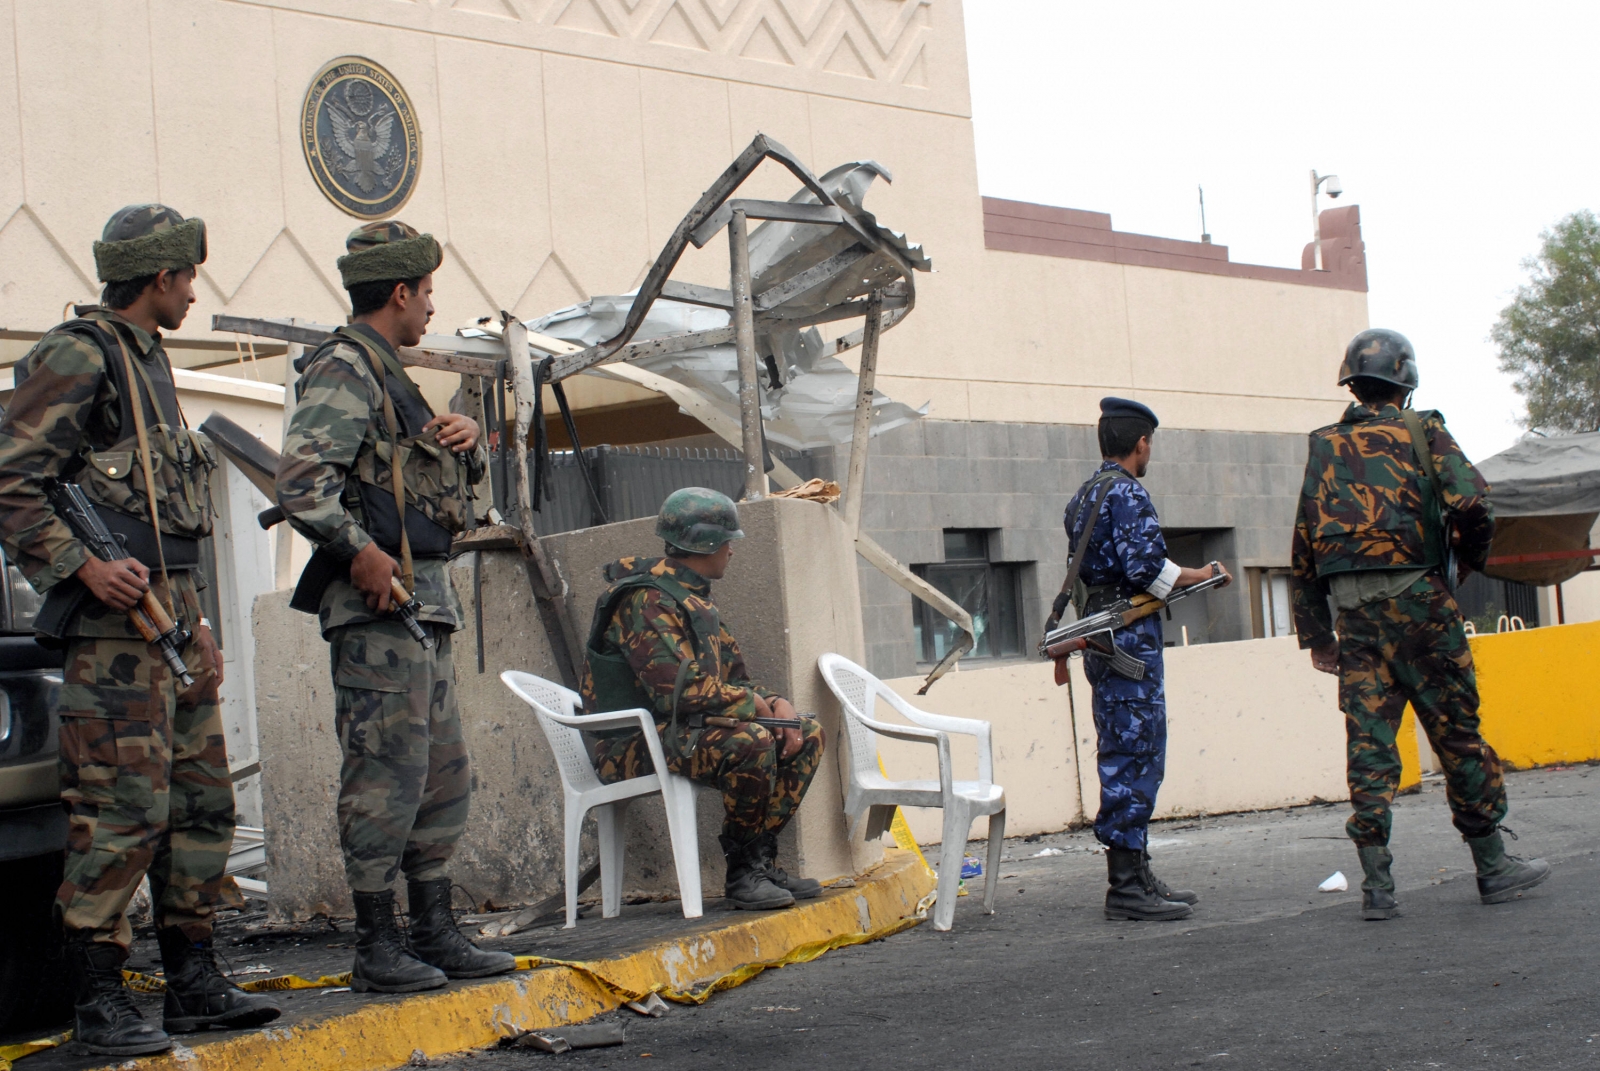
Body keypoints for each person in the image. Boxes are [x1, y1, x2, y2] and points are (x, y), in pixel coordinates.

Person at [0, 205, 280, 1055]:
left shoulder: (150, 364)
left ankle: (193, 979)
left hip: (170, 623)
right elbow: (13, 479)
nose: (195, 291)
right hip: (112, 635)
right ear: (159, 278)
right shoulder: (79, 353)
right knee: (120, 813)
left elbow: (166, 522)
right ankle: (99, 1001)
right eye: (189, 277)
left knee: (201, 802)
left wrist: (198, 628)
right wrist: (81, 568)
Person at [276, 220, 513, 992]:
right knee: (383, 777)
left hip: (424, 609)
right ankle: (378, 946)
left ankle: (434, 929)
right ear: (401, 292)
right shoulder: (345, 368)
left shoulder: (394, 380)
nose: (432, 309)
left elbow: (454, 503)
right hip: (378, 614)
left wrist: (467, 443)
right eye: (428, 292)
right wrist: (360, 551)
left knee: (441, 775)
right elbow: (303, 484)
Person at [1290, 328, 1550, 920]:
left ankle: (1377, 888)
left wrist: (1316, 636)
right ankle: (1492, 865)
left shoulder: (1324, 445)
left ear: (1351, 383)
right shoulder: (1421, 428)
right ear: (1405, 384)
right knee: (1457, 732)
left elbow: (1303, 546)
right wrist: (1465, 567)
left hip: (1355, 618)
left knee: (1369, 747)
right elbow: (1473, 503)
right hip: (1422, 607)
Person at [581, 487, 826, 911]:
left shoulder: (692, 599)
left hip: (678, 733)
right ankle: (743, 873)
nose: (732, 550)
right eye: (728, 541)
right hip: (632, 745)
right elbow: (679, 689)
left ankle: (758, 860)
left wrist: (776, 701)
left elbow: (735, 679)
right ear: (707, 544)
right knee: (751, 741)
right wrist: (755, 708)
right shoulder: (647, 599)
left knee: (806, 732)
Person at [1059, 397, 1231, 922]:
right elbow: (1145, 568)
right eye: (1149, 443)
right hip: (1127, 641)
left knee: (1123, 749)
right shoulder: (1128, 492)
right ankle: (1127, 886)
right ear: (1141, 444)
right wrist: (1200, 577)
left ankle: (1136, 873)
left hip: (1106, 639)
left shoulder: (1085, 494)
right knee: (1136, 754)